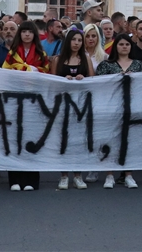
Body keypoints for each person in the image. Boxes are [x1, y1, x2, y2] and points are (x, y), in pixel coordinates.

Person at [95, 33, 142, 189]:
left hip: (132, 108)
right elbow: (98, 85)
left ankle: (128, 174)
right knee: (110, 141)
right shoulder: (106, 65)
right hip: (111, 108)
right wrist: (115, 79)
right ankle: (109, 175)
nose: (124, 47)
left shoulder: (139, 65)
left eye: (127, 44)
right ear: (115, 46)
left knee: (129, 142)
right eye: (121, 44)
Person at [3, 21, 49, 191]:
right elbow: (4, 72)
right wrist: (28, 70)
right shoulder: (12, 53)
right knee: (14, 139)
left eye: (30, 32)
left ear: (34, 34)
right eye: (24, 32)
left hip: (34, 102)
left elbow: (46, 73)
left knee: (32, 139)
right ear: (20, 34)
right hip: (15, 100)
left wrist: (27, 70)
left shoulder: (41, 54)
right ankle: (14, 179)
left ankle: (31, 180)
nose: (27, 35)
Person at [51, 29, 93, 190]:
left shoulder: (86, 58)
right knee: (63, 141)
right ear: (68, 41)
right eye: (74, 40)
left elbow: (93, 80)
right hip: (63, 105)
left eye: (79, 40)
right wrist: (63, 80)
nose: (77, 43)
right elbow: (52, 82)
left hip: (82, 105)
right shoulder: (58, 59)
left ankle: (78, 175)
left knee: (79, 141)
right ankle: (63, 175)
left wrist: (84, 79)